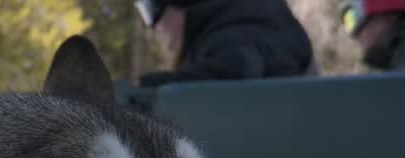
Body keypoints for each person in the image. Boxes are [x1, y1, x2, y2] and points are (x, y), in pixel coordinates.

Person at [134, 0, 315, 86]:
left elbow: (240, 65)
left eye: (151, 12)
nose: (154, 28)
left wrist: (147, 87)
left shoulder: (230, 31)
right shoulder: (213, 30)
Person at [342, 1, 405, 70]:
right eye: (356, 34)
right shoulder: (395, 60)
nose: (359, 38)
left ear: (392, 15)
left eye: (361, 27)